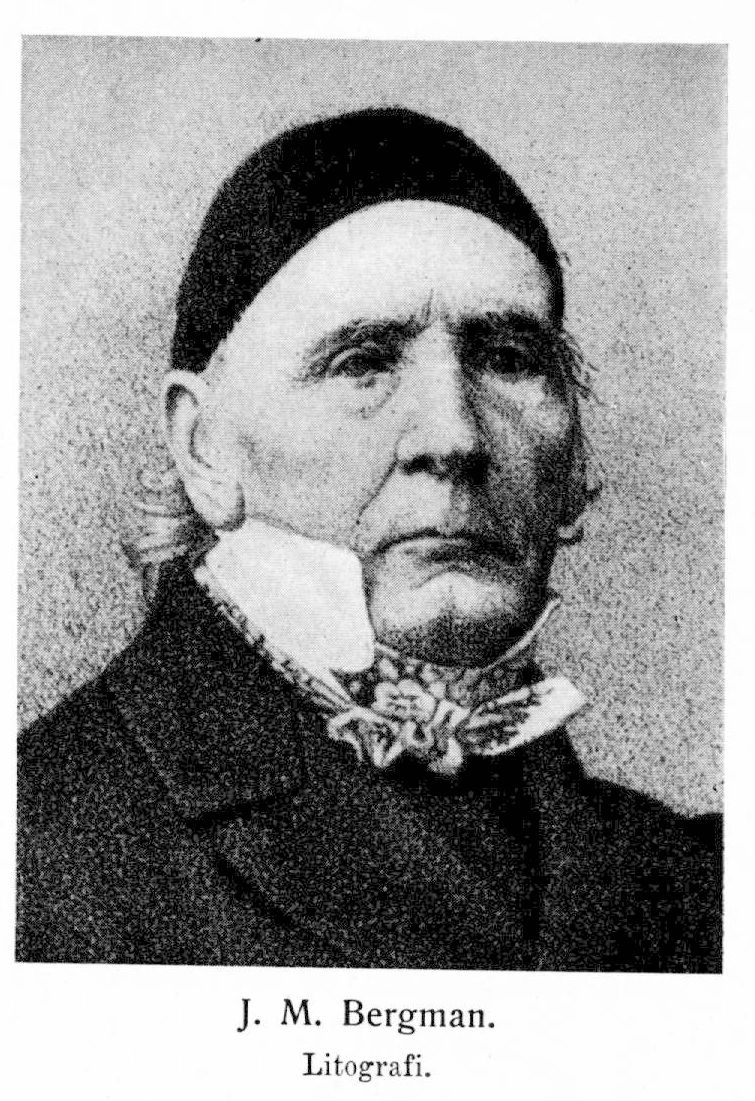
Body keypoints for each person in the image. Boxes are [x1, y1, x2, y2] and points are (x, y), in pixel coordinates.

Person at [17, 107, 722, 970]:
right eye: (363, 363)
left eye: (507, 358)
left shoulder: (698, 883)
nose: (454, 436)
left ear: (572, 449)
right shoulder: (42, 842)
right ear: (202, 446)